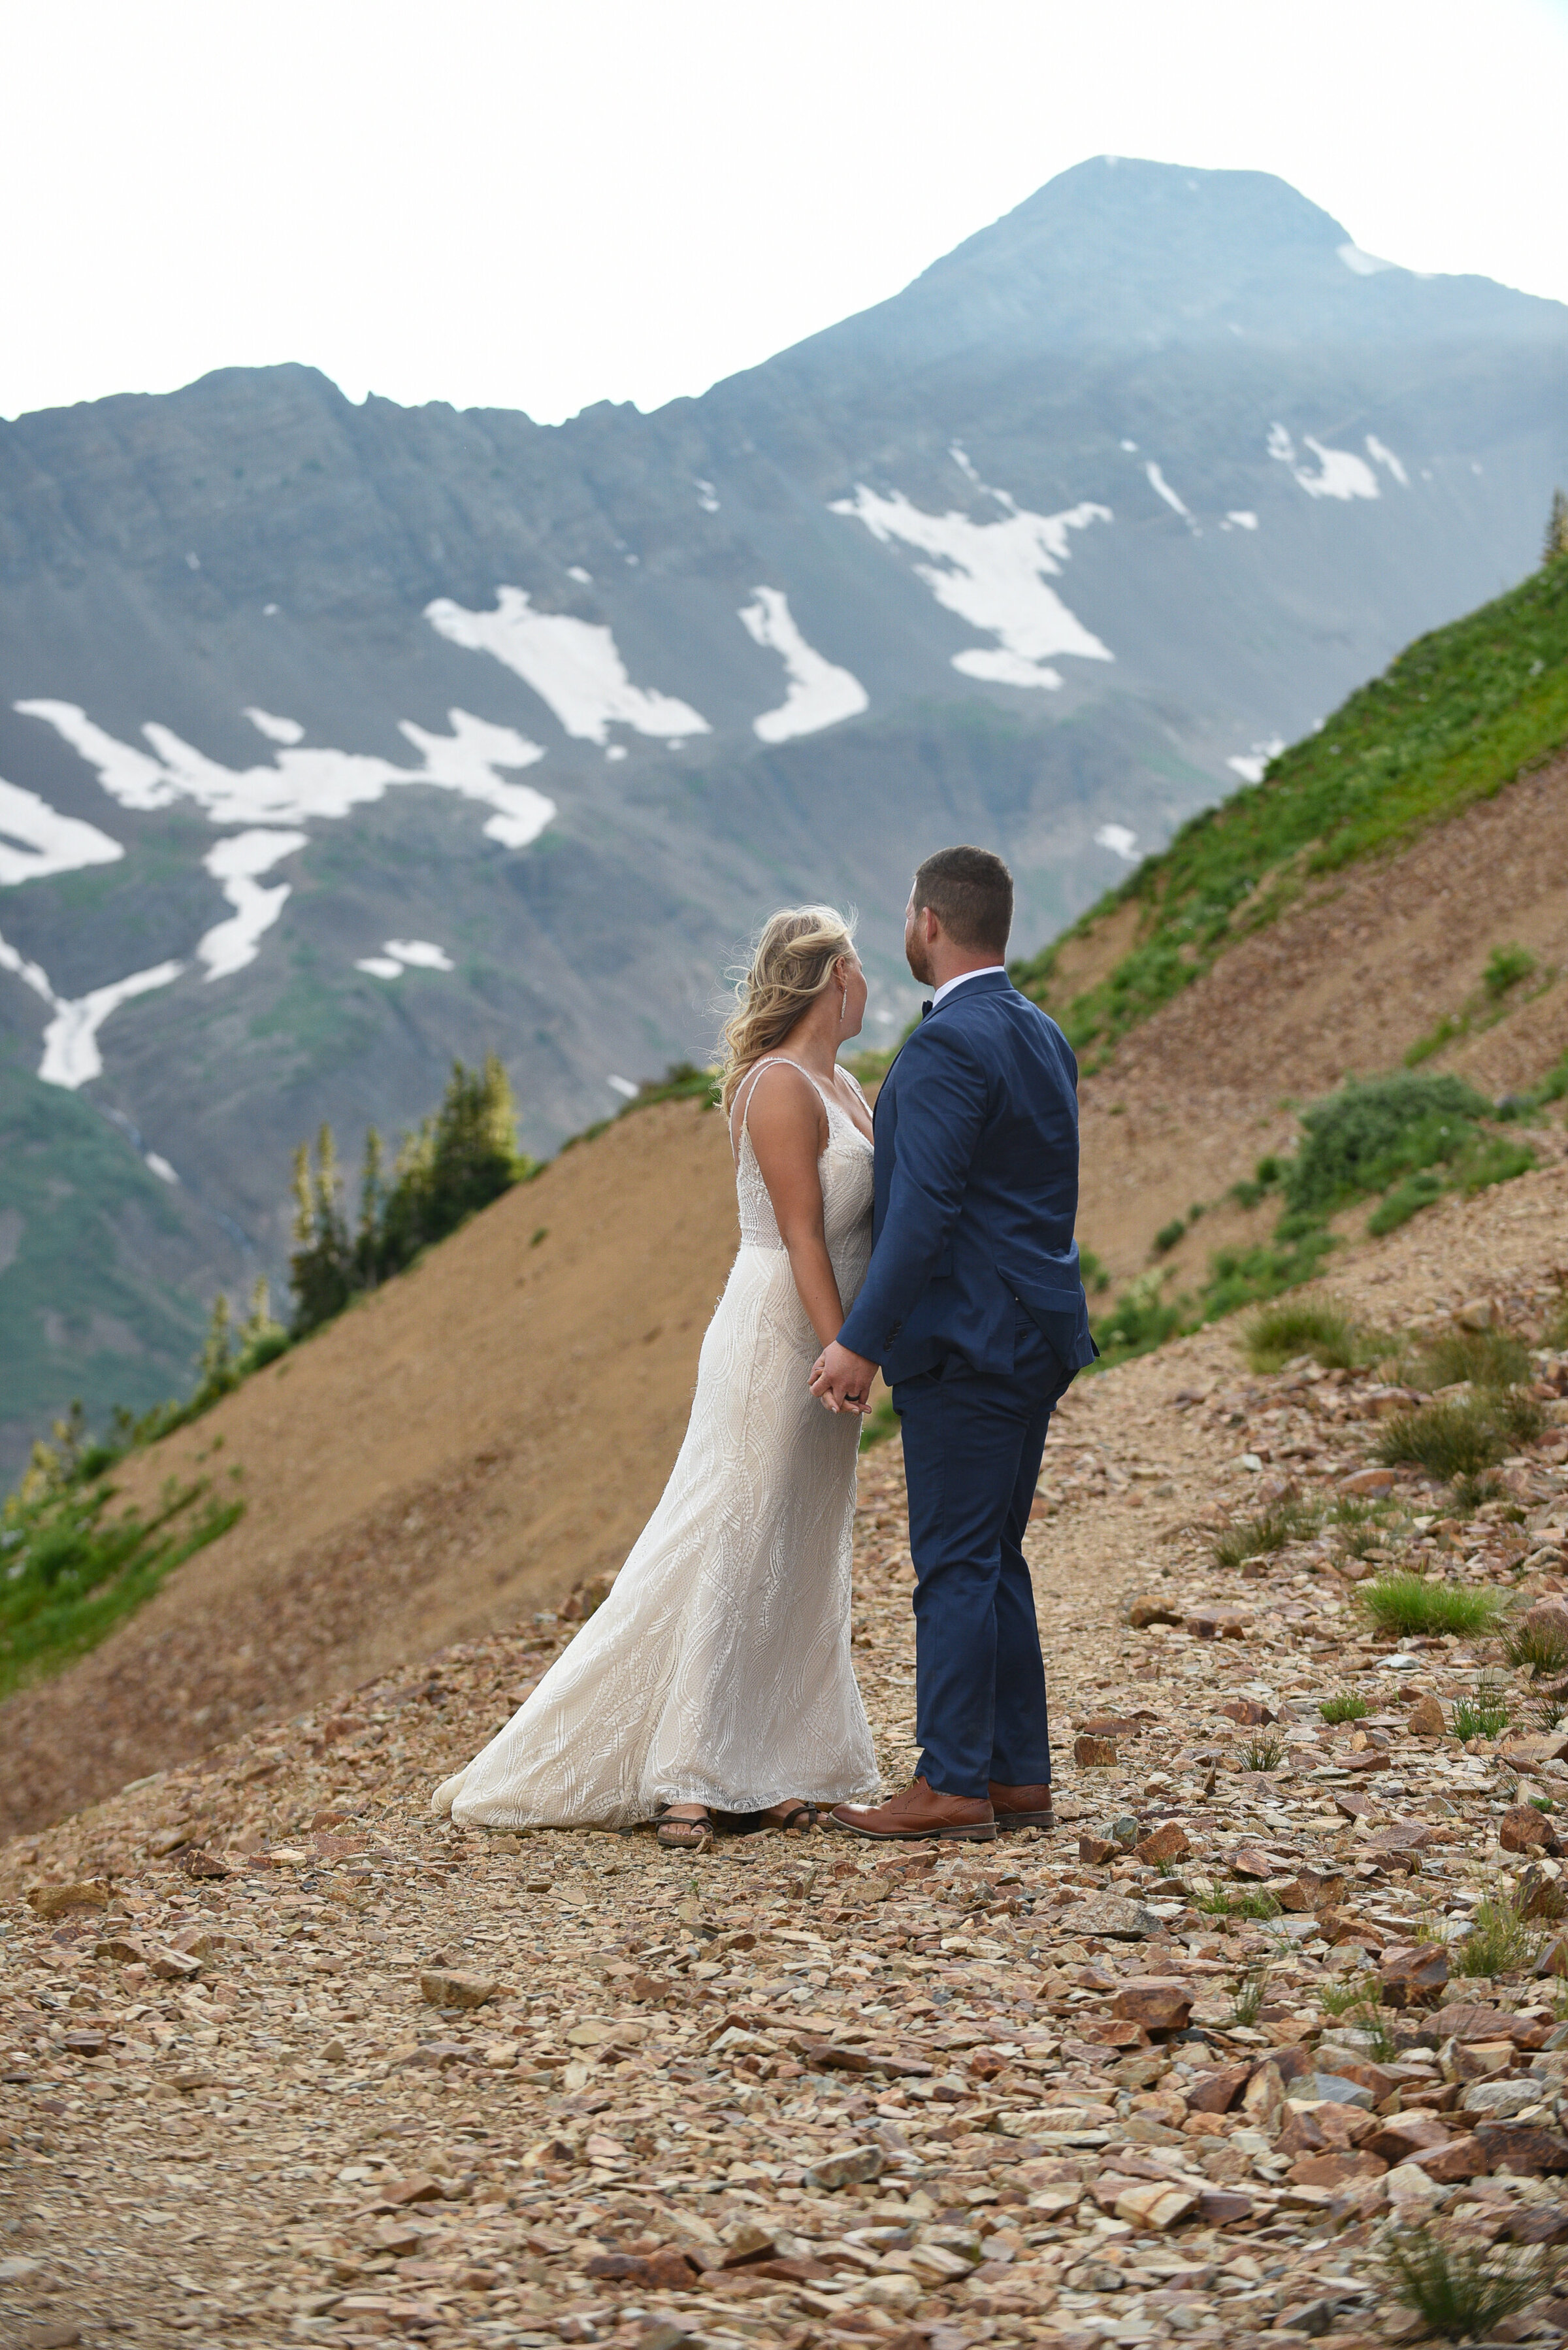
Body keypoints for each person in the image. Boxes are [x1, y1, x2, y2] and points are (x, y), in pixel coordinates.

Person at [431, 906, 879, 1847]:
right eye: (859, 965)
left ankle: (781, 1759)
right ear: (832, 975)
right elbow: (802, 1231)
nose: (869, 982)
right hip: (778, 1333)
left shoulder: (849, 1087)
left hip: (831, 1330)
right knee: (738, 1530)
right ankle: (693, 1772)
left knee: (800, 1540)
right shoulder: (780, 1086)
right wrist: (844, 1344)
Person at [810, 845, 1094, 1842]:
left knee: (958, 1565)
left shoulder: (941, 1050)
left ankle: (952, 1783)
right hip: (1038, 1327)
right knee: (995, 1556)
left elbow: (919, 1215)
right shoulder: (1040, 1031)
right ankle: (1016, 1777)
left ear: (928, 923)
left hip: (970, 1340)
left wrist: (859, 1342)